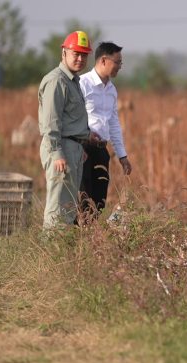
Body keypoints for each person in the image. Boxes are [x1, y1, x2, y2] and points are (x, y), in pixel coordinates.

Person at [38, 31, 92, 228]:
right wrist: (58, 152)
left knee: (68, 208)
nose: (80, 59)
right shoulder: (57, 81)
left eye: (84, 55)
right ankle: (49, 254)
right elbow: (51, 122)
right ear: (64, 53)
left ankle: (60, 251)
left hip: (73, 148)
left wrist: (79, 147)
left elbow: (71, 119)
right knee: (58, 208)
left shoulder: (73, 81)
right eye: (75, 53)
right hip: (60, 148)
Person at [78, 41, 132, 216]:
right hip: (83, 150)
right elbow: (73, 117)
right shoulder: (82, 84)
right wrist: (79, 143)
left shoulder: (112, 90)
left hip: (101, 150)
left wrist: (122, 155)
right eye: (117, 62)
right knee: (83, 200)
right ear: (103, 60)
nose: (119, 67)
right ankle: (79, 239)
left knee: (99, 201)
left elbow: (114, 124)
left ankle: (92, 238)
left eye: (120, 63)